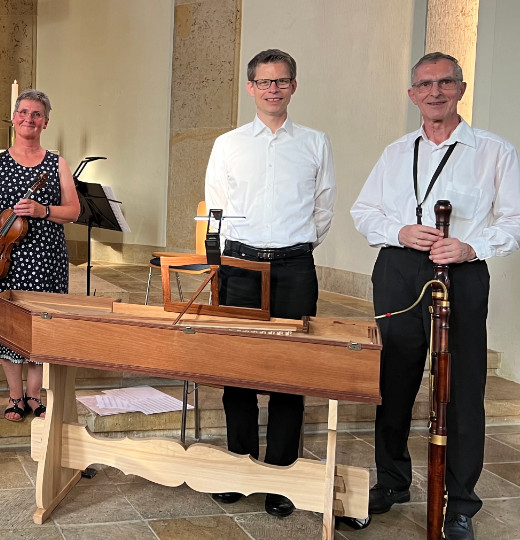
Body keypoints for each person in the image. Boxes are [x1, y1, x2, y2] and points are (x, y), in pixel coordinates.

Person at [351, 52, 520, 540]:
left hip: (463, 271)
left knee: (462, 388)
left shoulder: (494, 150)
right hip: (398, 270)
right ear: (412, 95)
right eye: (425, 85)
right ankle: (392, 481)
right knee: (394, 378)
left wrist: (473, 244)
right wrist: (400, 230)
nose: (435, 92)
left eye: (445, 82)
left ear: (461, 89)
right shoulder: (395, 151)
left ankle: (460, 502)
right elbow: (363, 211)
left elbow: (516, 221)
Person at [204, 48, 336, 518]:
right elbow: (216, 208)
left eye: (281, 81)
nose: (273, 89)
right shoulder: (229, 143)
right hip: (240, 266)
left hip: (295, 266)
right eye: (264, 82)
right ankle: (240, 465)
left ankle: (282, 474)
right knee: (236, 368)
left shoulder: (316, 142)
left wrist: (290, 248)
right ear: (250, 88)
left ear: (294, 86)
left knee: (290, 371)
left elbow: (323, 209)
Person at [0, 90, 80, 422]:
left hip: (47, 258)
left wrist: (42, 209)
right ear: (14, 118)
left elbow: (74, 211)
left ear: (45, 122)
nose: (29, 118)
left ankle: (34, 394)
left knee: (41, 327)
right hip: (6, 260)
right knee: (9, 327)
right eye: (23, 112)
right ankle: (14, 395)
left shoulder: (57, 163)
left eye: (36, 114)